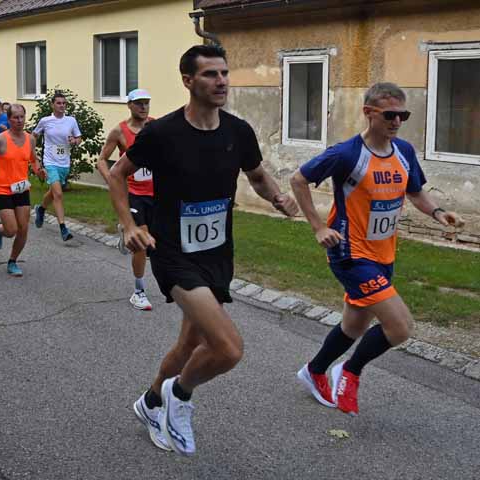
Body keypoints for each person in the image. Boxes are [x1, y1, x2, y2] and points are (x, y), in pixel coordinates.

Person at [107, 45, 298, 456]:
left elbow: (258, 175)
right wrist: (129, 226)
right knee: (228, 349)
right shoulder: (162, 133)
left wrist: (278, 198)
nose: (222, 81)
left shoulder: (238, 131)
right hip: (173, 252)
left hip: (217, 253)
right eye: (211, 74)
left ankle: (151, 401)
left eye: (225, 73)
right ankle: (181, 394)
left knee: (190, 345)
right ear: (188, 81)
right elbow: (117, 175)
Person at [290, 82, 465, 416]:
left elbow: (415, 192)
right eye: (389, 114)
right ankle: (350, 371)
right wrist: (318, 226)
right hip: (350, 253)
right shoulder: (347, 154)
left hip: (384, 253)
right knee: (400, 327)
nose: (397, 121)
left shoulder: (404, 152)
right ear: (369, 113)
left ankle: (314, 371)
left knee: (353, 326)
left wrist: (439, 213)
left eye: (403, 115)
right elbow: (299, 180)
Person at [98, 88, 155, 311]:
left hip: (156, 193)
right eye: (139, 103)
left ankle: (126, 230)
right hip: (133, 193)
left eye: (146, 103)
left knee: (156, 242)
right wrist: (112, 181)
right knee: (141, 243)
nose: (143, 107)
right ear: (129, 105)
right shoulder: (119, 132)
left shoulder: (155, 127)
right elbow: (102, 160)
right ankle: (139, 291)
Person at [0, 104, 39, 276]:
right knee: (11, 230)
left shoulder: (30, 139)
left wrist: (38, 169)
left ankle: (12, 261)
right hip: (3, 189)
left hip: (21, 188)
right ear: (9, 119)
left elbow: (33, 159)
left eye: (22, 117)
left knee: (23, 228)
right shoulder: (0, 140)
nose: (19, 121)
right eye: (15, 117)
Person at [32, 92, 82, 241]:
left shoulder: (71, 121)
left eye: (64, 103)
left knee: (53, 192)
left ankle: (41, 209)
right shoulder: (46, 121)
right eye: (59, 103)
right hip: (50, 162)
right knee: (58, 194)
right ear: (52, 105)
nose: (62, 106)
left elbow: (79, 138)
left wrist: (74, 140)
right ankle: (63, 228)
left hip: (64, 163)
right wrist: (34, 156)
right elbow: (33, 136)